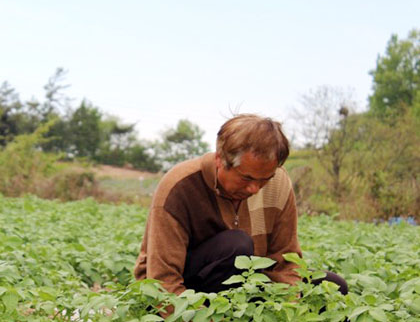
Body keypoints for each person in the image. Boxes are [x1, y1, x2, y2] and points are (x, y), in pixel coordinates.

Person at [134, 114, 347, 296]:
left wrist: (289, 315)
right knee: (236, 245)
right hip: (183, 295)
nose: (255, 189)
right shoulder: (180, 187)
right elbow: (162, 281)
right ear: (220, 160)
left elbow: (285, 260)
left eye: (265, 178)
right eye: (246, 178)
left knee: (332, 286)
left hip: (245, 285)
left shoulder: (278, 183)